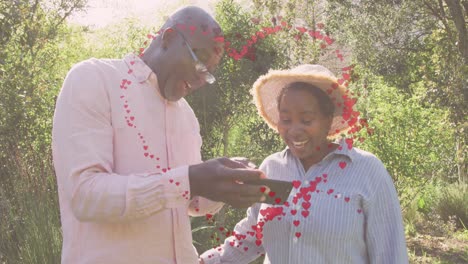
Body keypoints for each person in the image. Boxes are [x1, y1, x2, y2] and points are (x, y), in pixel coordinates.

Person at [52, 6, 267, 264]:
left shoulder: (186, 115)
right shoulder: (94, 79)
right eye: (199, 63)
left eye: (208, 74)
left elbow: (189, 202)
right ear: (168, 39)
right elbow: (85, 196)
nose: (200, 80)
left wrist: (224, 185)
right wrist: (189, 180)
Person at [200, 64, 409, 263]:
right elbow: (251, 237)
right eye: (286, 119)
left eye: (307, 120)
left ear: (328, 120)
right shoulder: (273, 169)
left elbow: (390, 254)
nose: (295, 130)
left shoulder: (366, 171)